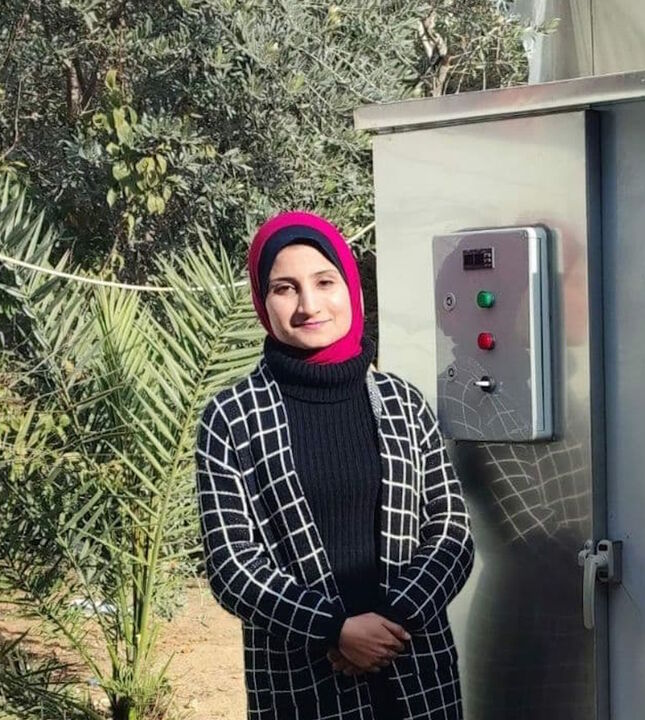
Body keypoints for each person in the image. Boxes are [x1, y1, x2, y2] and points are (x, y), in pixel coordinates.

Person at [194, 211, 474, 719]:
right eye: (285, 288)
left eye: (324, 281)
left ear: (351, 287)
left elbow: (451, 533)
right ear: (262, 302)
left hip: (418, 677)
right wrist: (335, 629)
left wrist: (387, 626)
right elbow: (232, 566)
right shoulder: (232, 417)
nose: (308, 305)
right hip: (303, 687)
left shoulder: (402, 402)